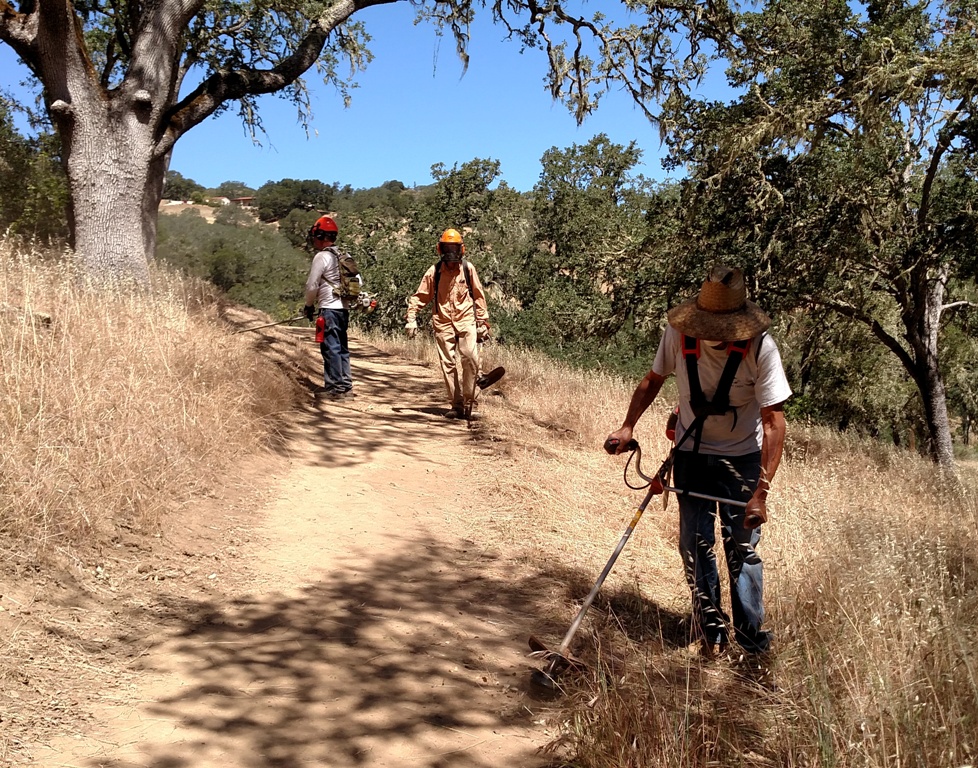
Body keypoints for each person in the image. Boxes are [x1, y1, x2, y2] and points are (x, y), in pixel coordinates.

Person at [607, 265, 791, 657]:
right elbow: (652, 380)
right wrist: (627, 426)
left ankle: (752, 643)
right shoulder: (678, 334)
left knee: (742, 549)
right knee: (694, 543)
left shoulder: (761, 348)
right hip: (691, 455)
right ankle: (712, 633)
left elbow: (774, 421)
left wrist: (762, 490)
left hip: (741, 459)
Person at [404, 228, 503, 419]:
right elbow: (421, 296)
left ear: (461, 249)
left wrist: (483, 322)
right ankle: (456, 405)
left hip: (466, 319)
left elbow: (478, 295)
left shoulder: (468, 268)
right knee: (447, 363)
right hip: (442, 321)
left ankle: (470, 402)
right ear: (440, 249)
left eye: (454, 248)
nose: (451, 252)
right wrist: (411, 318)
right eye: (447, 247)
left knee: (470, 357)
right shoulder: (434, 272)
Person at [303, 215, 356, 399]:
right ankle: (346, 387)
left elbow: (312, 285)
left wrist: (309, 305)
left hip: (328, 309)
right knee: (342, 346)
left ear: (319, 236)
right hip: (344, 309)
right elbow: (358, 281)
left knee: (330, 347)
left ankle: (335, 388)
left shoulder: (322, 256)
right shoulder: (345, 256)